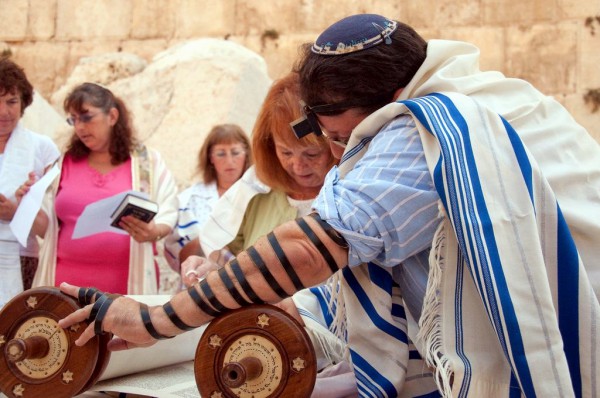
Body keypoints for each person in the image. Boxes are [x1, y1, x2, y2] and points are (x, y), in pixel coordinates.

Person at [58, 14, 600, 398]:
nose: (342, 157)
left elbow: (308, 250)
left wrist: (156, 320)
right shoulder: (491, 94)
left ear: (382, 104)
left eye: (342, 138)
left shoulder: (424, 128)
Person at [179, 72, 337, 287]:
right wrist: (209, 267)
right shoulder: (255, 193)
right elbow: (230, 258)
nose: (298, 166)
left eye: (312, 154)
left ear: (336, 144)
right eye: (286, 153)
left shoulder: (346, 197)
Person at [34, 82, 178, 295]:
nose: (80, 127)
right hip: (64, 290)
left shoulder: (148, 163)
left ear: (112, 116)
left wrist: (153, 232)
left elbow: (169, 207)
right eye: (73, 119)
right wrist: (23, 204)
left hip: (125, 292)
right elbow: (46, 228)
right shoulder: (64, 163)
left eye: (86, 117)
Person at [0, 58, 60, 308]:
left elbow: (54, 227)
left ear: (24, 102)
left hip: (23, 259)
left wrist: (18, 212)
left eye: (12, 101)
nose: (4, 112)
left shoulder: (42, 148)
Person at [163, 123, 252, 273]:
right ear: (210, 157)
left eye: (236, 152)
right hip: (198, 285)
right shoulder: (190, 199)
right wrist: (212, 237)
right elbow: (180, 258)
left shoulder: (260, 196)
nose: (229, 161)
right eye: (221, 154)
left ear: (246, 154)